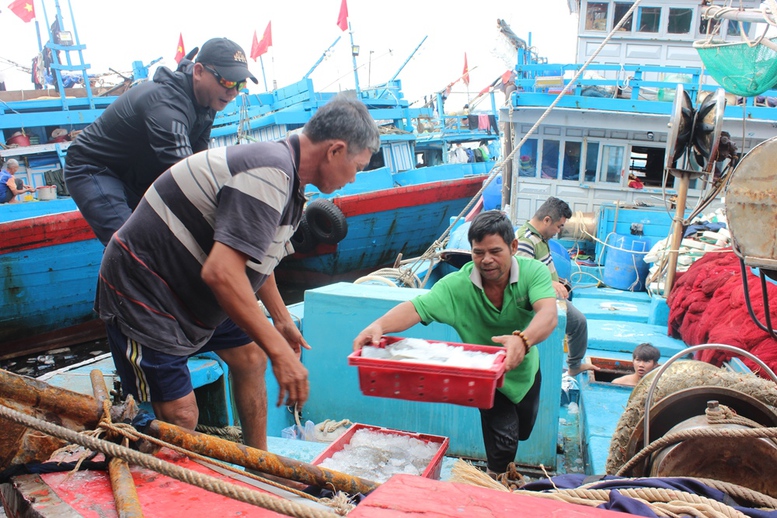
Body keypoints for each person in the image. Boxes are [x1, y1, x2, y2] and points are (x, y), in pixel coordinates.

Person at [97, 94, 380, 451]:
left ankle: (258, 464)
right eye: (357, 166)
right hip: (147, 292)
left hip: (191, 290)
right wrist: (280, 351)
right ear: (335, 150)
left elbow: (258, 257)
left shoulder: (288, 178)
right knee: (182, 419)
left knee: (250, 356)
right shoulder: (270, 173)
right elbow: (222, 273)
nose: (354, 179)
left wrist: (280, 320)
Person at [353, 210, 558, 477]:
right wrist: (378, 325)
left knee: (523, 431)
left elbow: (548, 314)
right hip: (487, 378)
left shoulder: (534, 272)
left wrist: (523, 340)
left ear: (514, 247)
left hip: (527, 370)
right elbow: (417, 307)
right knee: (504, 442)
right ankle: (497, 481)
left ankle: (502, 466)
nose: (486, 260)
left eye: (495, 251)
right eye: (478, 252)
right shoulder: (456, 286)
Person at [64, 37, 258, 246]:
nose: (234, 91)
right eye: (227, 81)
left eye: (240, 84)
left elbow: (200, 163)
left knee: (167, 244)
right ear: (199, 71)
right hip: (94, 168)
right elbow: (187, 173)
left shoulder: (207, 105)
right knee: (131, 248)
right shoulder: (166, 105)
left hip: (136, 176)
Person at [515, 197, 597, 377]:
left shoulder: (539, 237)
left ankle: (574, 364)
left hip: (550, 292)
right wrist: (550, 283)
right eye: (559, 226)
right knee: (578, 322)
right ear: (546, 220)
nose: (559, 231)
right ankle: (574, 365)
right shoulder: (526, 241)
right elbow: (522, 274)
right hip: (542, 298)